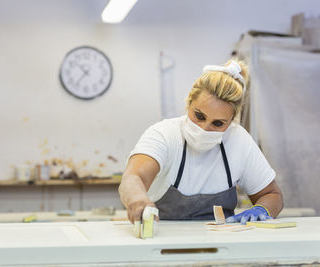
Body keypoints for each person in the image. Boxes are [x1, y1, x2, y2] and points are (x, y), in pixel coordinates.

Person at [119, 60, 283, 225]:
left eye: (218, 123)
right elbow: (133, 177)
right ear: (189, 103)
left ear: (231, 121)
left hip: (222, 244)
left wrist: (262, 209)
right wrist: (138, 199)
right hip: (164, 242)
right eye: (199, 116)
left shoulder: (238, 141)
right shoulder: (164, 134)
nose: (204, 128)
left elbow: (272, 195)